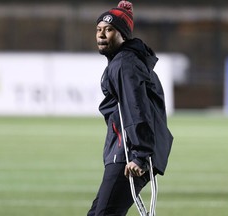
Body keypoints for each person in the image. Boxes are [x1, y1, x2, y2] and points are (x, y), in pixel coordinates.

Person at [87, 1, 173, 215]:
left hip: (129, 154)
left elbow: (137, 108)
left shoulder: (125, 64)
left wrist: (140, 155)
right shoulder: (125, 62)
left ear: (122, 35)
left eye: (109, 30)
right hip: (127, 150)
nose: (102, 35)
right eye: (99, 30)